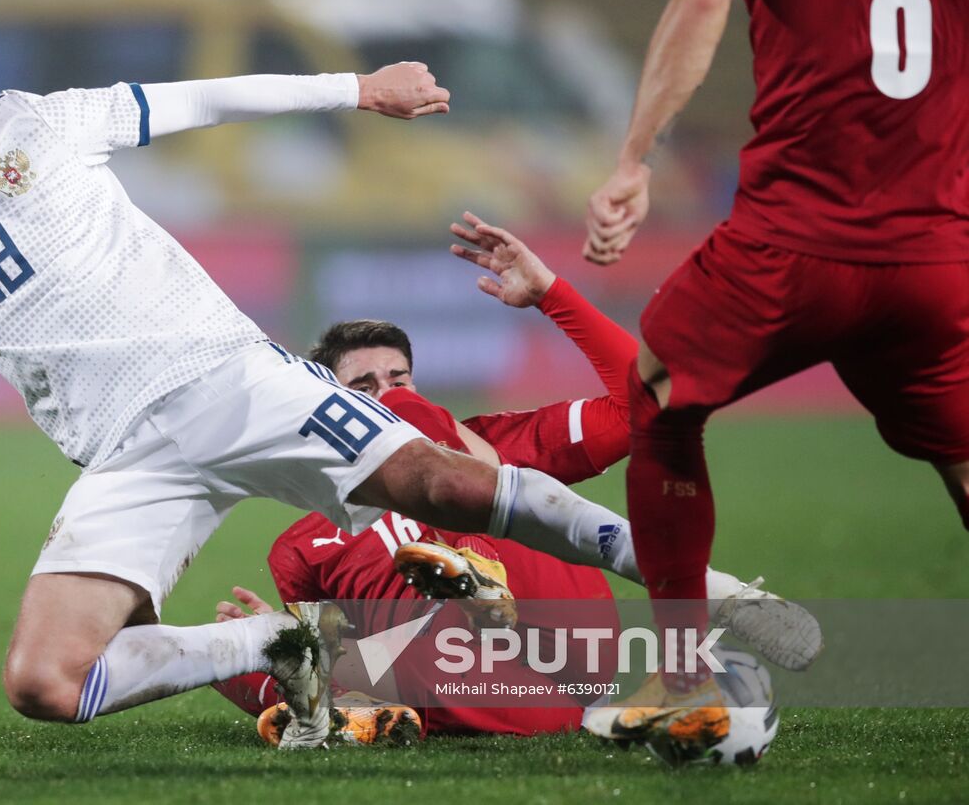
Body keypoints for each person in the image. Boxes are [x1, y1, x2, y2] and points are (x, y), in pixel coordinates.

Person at [0, 10, 653, 751]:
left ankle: (690, 585)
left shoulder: (42, 125)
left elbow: (194, 98)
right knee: (45, 685)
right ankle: (287, 643)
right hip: (130, 457)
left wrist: (353, 89)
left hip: (230, 377)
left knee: (453, 488)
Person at [581, 0, 969, 755]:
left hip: (786, 252)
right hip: (934, 259)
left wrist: (635, 156)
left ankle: (681, 676)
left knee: (659, 398)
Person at [213, 222, 817, 743]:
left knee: (421, 441)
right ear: (330, 406)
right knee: (240, 648)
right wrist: (281, 650)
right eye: (364, 387)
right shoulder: (302, 545)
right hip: (483, 687)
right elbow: (341, 652)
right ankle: (353, 714)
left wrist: (553, 295)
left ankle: (477, 573)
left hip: (563, 628)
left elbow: (646, 402)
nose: (388, 393)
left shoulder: (486, 440)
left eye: (400, 377)